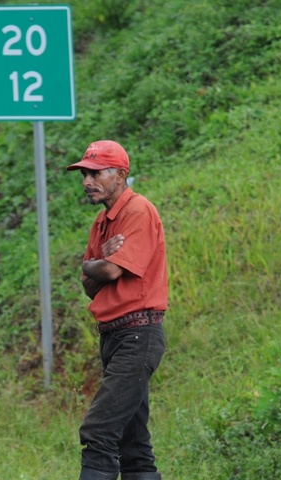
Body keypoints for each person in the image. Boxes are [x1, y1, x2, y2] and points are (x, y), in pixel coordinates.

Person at [66, 140, 168, 480]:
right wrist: (98, 262)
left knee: (98, 431)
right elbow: (89, 283)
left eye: (95, 173)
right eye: (84, 174)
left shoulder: (138, 211)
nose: (86, 181)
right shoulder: (101, 222)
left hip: (138, 335)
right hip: (115, 335)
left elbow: (107, 272)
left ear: (121, 174)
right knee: (133, 442)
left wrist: (95, 263)